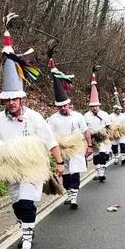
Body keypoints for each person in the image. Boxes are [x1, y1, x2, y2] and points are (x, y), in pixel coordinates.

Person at [0, 16, 64, 249]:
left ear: (22, 99)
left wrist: (60, 163)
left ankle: (27, 242)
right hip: (10, 170)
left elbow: (51, 141)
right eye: (7, 100)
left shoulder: (36, 118)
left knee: (26, 206)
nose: (10, 103)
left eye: (14, 99)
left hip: (32, 169)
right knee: (17, 208)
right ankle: (27, 229)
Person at [46, 48, 92, 209]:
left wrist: (90, 145)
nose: (63, 108)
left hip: (76, 149)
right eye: (61, 107)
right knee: (66, 176)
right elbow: (48, 136)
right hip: (62, 150)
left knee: (75, 173)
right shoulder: (52, 119)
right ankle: (70, 193)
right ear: (58, 107)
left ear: (68, 104)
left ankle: (73, 198)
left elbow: (86, 131)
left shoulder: (78, 116)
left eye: (65, 106)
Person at [83, 69, 112, 182]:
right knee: (96, 157)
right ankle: (99, 172)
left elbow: (109, 127)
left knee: (103, 155)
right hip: (93, 139)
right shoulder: (86, 116)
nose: (94, 108)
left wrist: (104, 132)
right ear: (90, 107)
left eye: (96, 106)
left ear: (99, 106)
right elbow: (84, 129)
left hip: (103, 138)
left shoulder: (104, 114)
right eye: (92, 106)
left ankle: (101, 172)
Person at [109, 90, 125, 166]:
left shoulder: (123, 116)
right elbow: (108, 125)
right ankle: (115, 158)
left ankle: (123, 158)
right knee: (114, 147)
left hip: (122, 133)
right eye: (117, 109)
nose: (119, 110)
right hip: (114, 133)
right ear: (114, 109)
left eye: (120, 109)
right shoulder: (110, 116)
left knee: (122, 145)